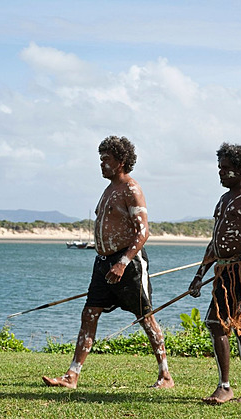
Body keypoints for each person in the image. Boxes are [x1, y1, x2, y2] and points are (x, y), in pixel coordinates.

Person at [42, 135, 174, 389]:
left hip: (128, 264)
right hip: (102, 262)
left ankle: (165, 375)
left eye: (107, 159)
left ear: (121, 161)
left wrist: (123, 262)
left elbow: (143, 232)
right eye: (100, 159)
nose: (102, 164)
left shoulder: (131, 189)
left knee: (145, 317)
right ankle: (72, 376)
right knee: (89, 314)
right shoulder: (108, 189)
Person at [188, 142, 241, 404]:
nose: (220, 173)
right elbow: (215, 242)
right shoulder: (225, 199)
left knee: (219, 323)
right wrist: (199, 276)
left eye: (226, 168)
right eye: (219, 168)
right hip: (224, 270)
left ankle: (227, 387)